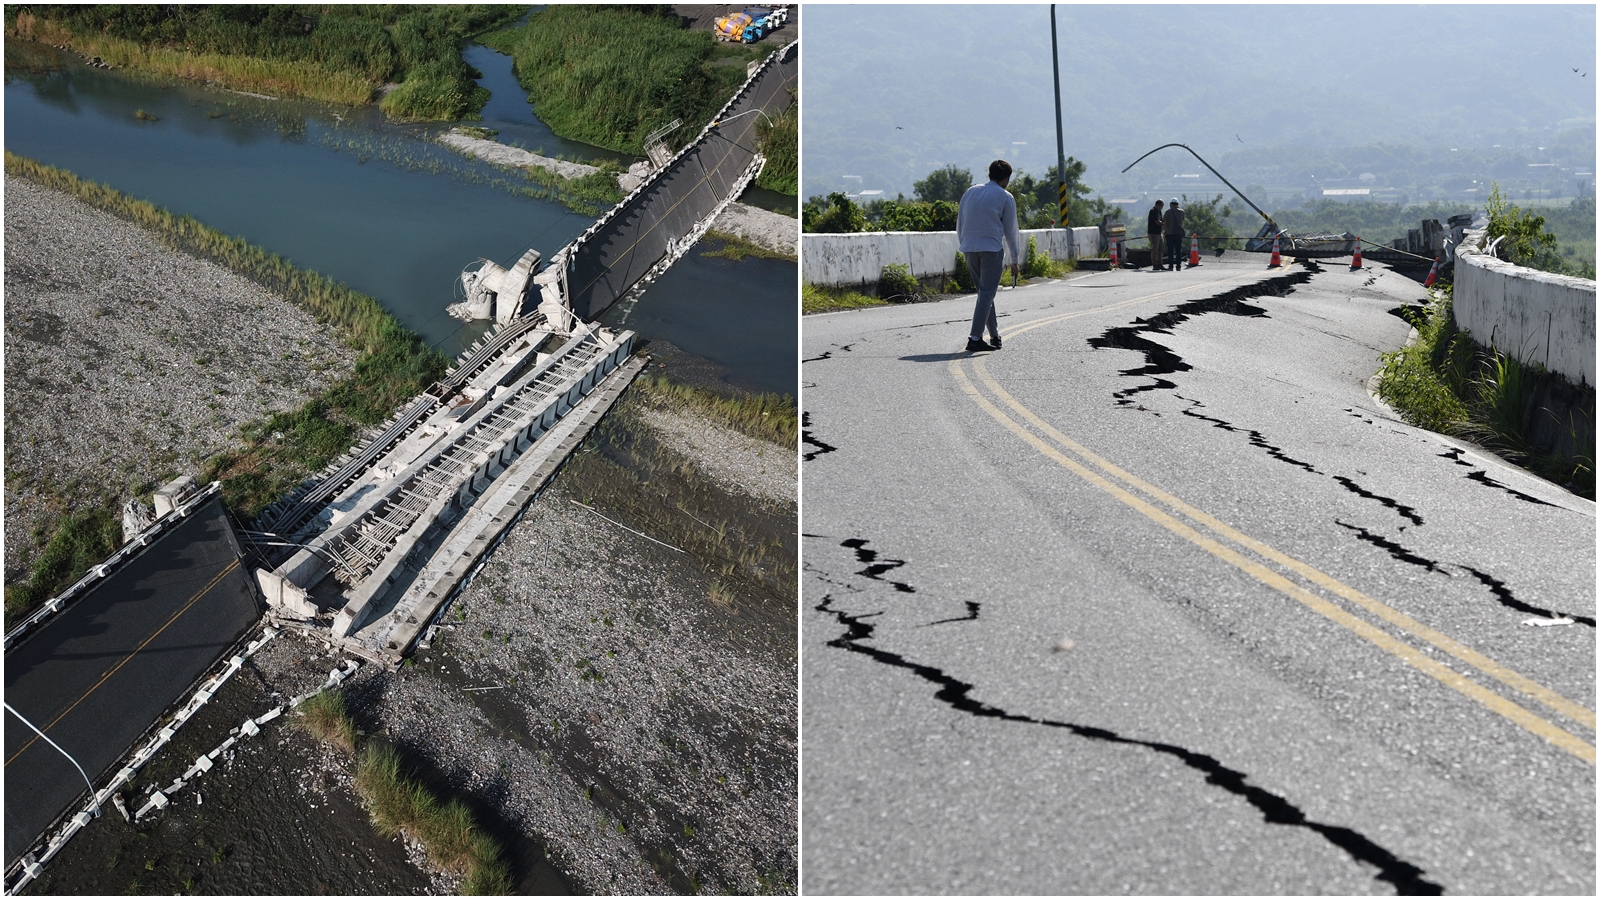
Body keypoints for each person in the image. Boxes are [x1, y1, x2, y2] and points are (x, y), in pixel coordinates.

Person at [956, 159, 1022, 352]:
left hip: (969, 247)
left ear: (989, 174)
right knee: (986, 293)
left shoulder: (970, 192)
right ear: (1006, 178)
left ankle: (994, 336)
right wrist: (1015, 259)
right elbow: (1011, 231)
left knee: (984, 293)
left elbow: (960, 223)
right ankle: (975, 338)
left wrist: (965, 244)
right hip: (991, 249)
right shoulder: (1005, 196)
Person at [1162, 198, 1185, 270]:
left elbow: (1165, 223)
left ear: (1170, 204)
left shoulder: (1167, 212)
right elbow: (1182, 220)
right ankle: (1178, 266)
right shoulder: (1181, 212)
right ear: (1177, 204)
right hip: (1178, 234)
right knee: (1178, 250)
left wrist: (1165, 231)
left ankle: (1171, 266)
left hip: (1170, 233)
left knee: (1170, 251)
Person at [1146, 199, 1165, 271]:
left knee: (1161, 249)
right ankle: (1155, 264)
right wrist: (1164, 224)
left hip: (1159, 233)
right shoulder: (1153, 211)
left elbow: (1161, 219)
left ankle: (1160, 263)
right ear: (1157, 205)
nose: (1161, 208)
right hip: (1153, 233)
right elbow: (1157, 221)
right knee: (1155, 249)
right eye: (1161, 206)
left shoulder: (1159, 211)